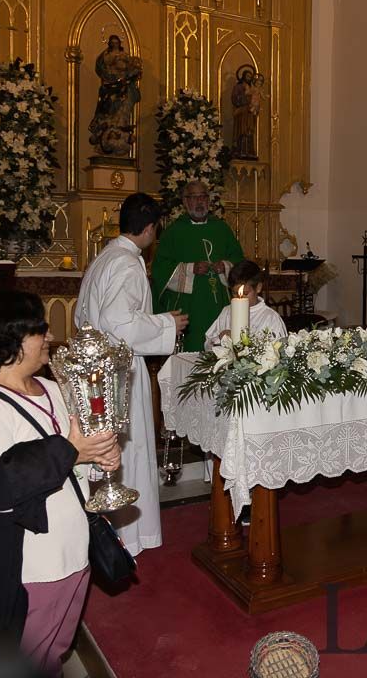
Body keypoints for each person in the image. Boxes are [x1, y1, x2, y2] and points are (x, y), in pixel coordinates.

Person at [0, 290, 120, 675]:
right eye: (39, 330)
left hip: (71, 555)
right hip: (27, 571)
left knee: (51, 655)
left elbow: (73, 464)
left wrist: (98, 460)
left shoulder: (55, 390)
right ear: (11, 340)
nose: (49, 337)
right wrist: (71, 450)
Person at [75, 192, 188, 556]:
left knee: (109, 449)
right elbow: (118, 321)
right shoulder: (127, 262)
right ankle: (131, 538)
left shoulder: (105, 257)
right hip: (118, 370)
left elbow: (85, 315)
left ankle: (110, 532)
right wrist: (166, 324)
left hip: (98, 369)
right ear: (151, 229)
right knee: (132, 447)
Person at [151, 181, 244, 352]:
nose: (200, 202)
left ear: (209, 201)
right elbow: (160, 269)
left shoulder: (222, 229)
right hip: (189, 308)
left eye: (203, 197)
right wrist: (189, 269)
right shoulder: (173, 232)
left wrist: (225, 266)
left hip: (219, 305)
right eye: (194, 198)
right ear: (185, 202)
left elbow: (238, 259)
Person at [205, 260, 288, 344]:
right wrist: (220, 338)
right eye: (234, 293)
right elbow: (208, 344)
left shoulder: (270, 318)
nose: (239, 298)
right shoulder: (226, 312)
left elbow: (280, 350)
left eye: (245, 293)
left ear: (258, 288)